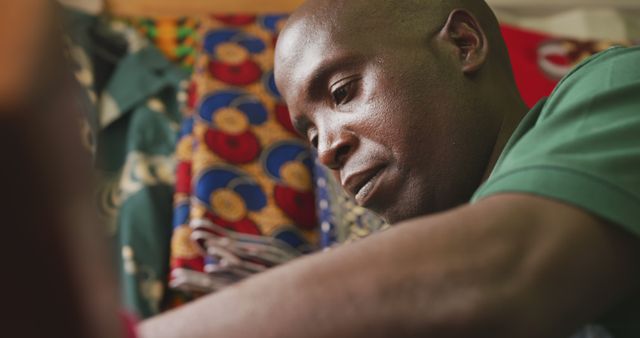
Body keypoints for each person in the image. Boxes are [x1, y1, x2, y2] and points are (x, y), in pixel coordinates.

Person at [140, 0, 640, 337]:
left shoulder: (618, 86)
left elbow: (506, 265)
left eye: (342, 93)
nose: (325, 151)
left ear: (463, 43)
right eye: (309, 134)